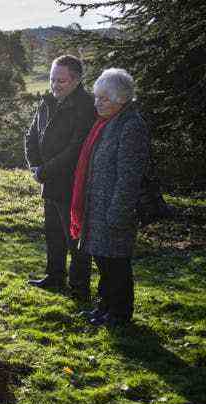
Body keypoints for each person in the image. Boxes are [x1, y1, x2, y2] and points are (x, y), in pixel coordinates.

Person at [71, 68, 149, 327]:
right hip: (99, 208)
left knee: (116, 263)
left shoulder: (131, 126)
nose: (97, 103)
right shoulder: (105, 123)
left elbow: (129, 176)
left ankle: (119, 314)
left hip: (115, 209)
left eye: (103, 98)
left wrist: (118, 212)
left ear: (122, 99)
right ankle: (104, 307)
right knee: (102, 261)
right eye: (97, 97)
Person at [24, 55, 95, 298]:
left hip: (72, 184)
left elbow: (76, 148)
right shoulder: (47, 102)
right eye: (52, 79)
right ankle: (55, 276)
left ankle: (79, 287)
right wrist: (35, 166)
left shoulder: (86, 107)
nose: (54, 85)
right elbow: (31, 136)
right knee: (53, 232)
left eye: (61, 81)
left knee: (75, 238)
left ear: (76, 80)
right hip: (49, 181)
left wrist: (44, 171)